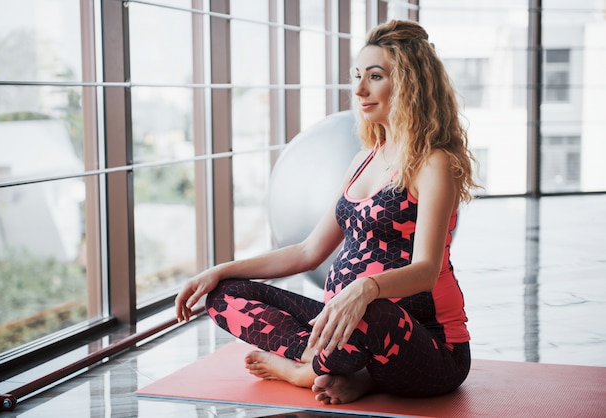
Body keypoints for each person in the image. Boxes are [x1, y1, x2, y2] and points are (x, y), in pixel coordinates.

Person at [175, 19, 479, 404]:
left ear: (408, 84)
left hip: (431, 348)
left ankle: (306, 371)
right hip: (349, 327)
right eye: (357, 76)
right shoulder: (362, 161)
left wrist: (364, 289)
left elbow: (426, 270)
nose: (359, 89)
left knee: (372, 312)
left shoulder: (433, 163)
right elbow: (307, 252)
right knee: (224, 295)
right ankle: (346, 367)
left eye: (375, 76)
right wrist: (219, 270)